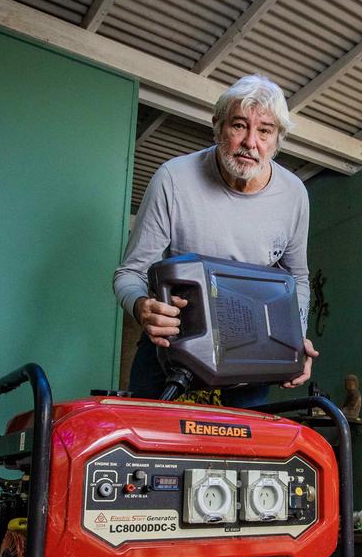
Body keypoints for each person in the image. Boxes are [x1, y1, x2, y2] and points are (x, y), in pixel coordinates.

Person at [113, 75, 317, 406]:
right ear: (217, 126)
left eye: (264, 131)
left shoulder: (295, 195)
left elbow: (298, 279)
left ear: (277, 140)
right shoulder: (173, 179)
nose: (251, 142)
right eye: (239, 126)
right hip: (173, 349)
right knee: (156, 455)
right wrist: (142, 307)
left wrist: (295, 337)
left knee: (238, 457)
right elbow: (129, 274)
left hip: (248, 359)